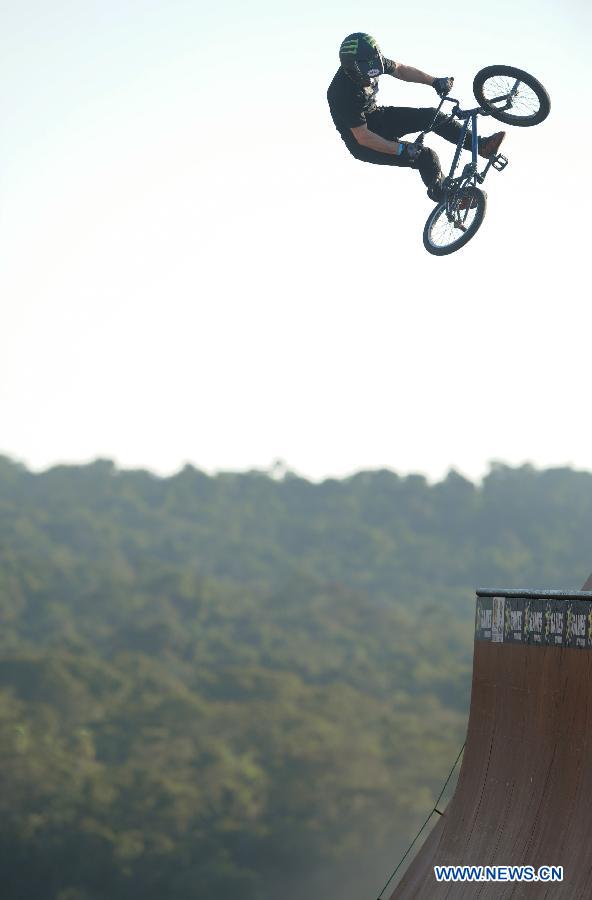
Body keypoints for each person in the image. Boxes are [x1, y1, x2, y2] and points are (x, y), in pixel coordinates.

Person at [327, 32, 505, 203]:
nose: (373, 75)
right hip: (364, 143)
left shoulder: (374, 61)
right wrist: (401, 150)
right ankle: (448, 198)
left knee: (430, 116)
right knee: (425, 156)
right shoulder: (341, 93)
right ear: (353, 68)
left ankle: (481, 146)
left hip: (376, 117)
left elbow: (401, 70)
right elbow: (363, 137)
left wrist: (434, 81)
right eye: (368, 73)